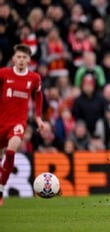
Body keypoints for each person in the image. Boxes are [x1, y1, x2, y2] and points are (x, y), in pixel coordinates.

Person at [0, 44, 45, 206]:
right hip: (1, 121)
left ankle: (1, 190)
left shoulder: (34, 78)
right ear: (13, 58)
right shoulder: (3, 74)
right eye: (18, 57)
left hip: (18, 123)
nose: (21, 60)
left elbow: (39, 96)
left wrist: (39, 118)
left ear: (29, 60)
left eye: (24, 57)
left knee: (11, 152)